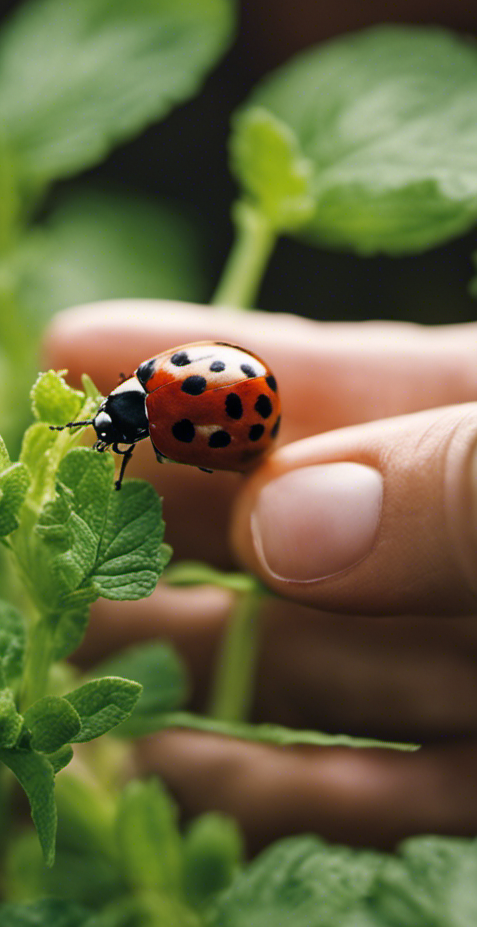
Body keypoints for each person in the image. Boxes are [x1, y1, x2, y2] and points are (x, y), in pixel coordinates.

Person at [43, 299, 477, 852]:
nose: (110, 441)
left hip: (243, 399)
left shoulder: (154, 401)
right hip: (239, 390)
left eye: (111, 433)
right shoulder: (150, 389)